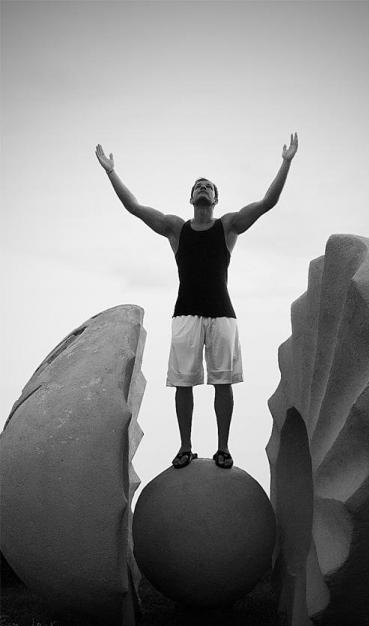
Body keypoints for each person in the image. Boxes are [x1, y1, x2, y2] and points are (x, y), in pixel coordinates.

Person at [95, 133, 298, 469]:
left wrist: (286, 162)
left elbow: (267, 203)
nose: (203, 188)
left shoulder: (228, 226)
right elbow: (135, 208)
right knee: (183, 383)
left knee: (223, 383)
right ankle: (185, 447)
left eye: (208, 186)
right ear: (190, 198)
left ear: (215, 199)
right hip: (185, 315)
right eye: (198, 186)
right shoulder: (176, 228)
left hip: (222, 315)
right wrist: (111, 172)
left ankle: (223, 448)